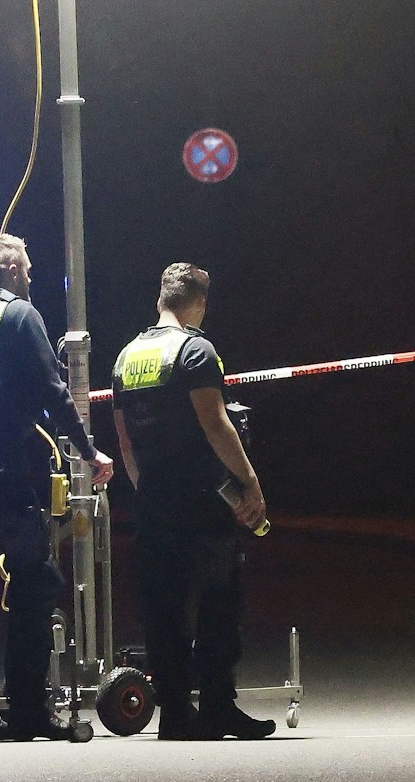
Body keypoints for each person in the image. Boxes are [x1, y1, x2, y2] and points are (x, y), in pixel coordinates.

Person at [0, 234, 113, 743]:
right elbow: (52, 388)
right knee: (37, 579)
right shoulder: (17, 314)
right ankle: (28, 708)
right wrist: (87, 449)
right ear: (11, 270)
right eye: (28, 272)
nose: (30, 280)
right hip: (2, 468)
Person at [109, 263, 275, 740]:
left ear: (161, 300)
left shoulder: (127, 357)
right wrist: (250, 482)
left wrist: (147, 492)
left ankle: (176, 716)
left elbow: (125, 443)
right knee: (218, 605)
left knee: (163, 610)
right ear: (199, 303)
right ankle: (219, 707)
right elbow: (216, 424)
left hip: (154, 500)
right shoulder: (196, 350)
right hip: (201, 501)